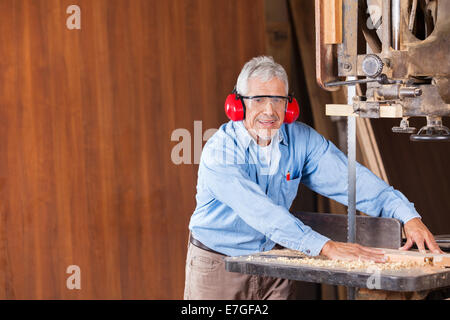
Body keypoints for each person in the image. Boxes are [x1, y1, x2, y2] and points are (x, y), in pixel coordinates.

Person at [184, 56, 442, 300]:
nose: (270, 110)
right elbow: (261, 213)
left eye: (278, 99)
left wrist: (406, 214)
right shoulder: (220, 151)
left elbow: (353, 182)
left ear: (290, 105)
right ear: (238, 104)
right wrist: (326, 247)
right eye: (259, 99)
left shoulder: (301, 140)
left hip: (276, 262)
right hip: (218, 265)